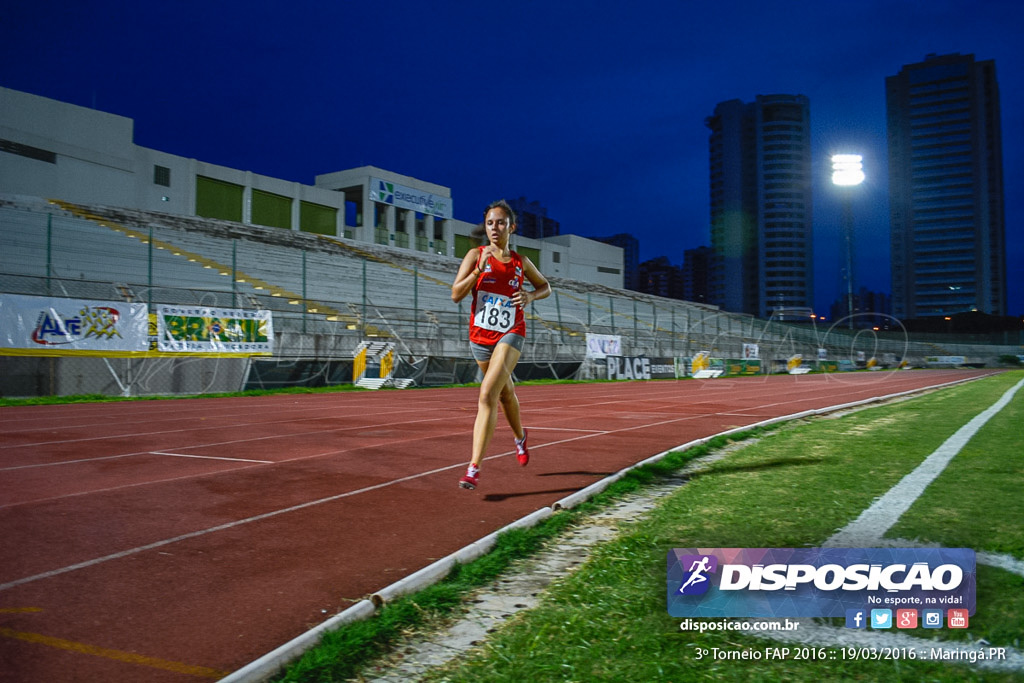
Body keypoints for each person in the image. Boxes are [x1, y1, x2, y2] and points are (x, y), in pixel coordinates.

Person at [450, 199, 551, 489]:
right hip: (480, 337)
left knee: (486, 395)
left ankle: (473, 468)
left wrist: (531, 296)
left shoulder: (521, 262)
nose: (495, 228)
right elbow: (456, 294)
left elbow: (546, 286)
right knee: (505, 394)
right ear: (486, 227)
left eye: (500, 223)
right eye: (490, 223)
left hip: (512, 332)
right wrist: (476, 272)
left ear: (511, 227)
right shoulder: (475, 255)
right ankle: (520, 437)